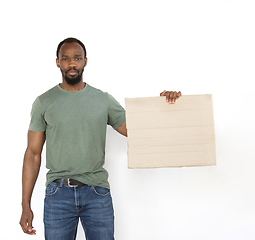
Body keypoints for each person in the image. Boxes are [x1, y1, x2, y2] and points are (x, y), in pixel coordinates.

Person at [19, 37, 181, 240]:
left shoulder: (102, 100)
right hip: (57, 194)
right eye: (66, 58)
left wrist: (164, 105)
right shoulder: (43, 102)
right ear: (57, 62)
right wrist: (25, 204)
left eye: (77, 58)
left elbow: (136, 129)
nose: (72, 63)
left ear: (85, 61)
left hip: (96, 192)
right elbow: (33, 154)